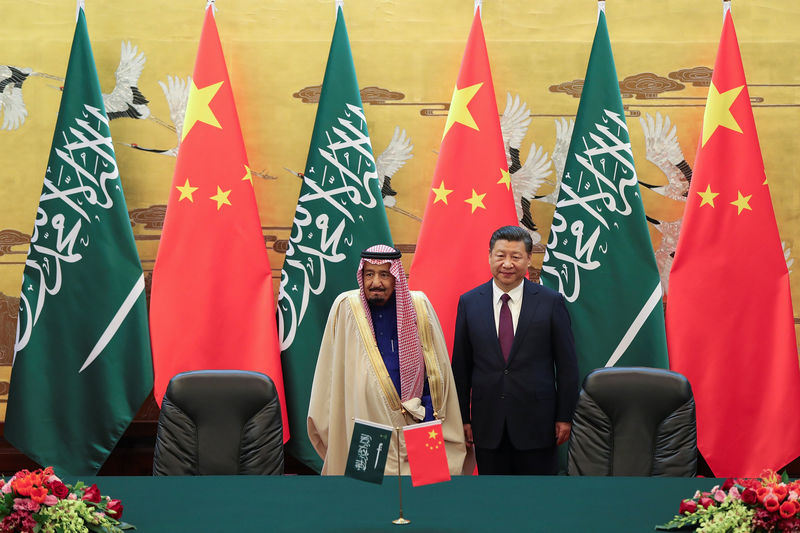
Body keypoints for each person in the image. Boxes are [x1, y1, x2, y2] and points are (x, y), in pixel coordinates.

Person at [308, 244, 469, 475]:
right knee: (370, 498)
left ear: (396, 278)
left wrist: (430, 414)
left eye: (384, 274)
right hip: (368, 426)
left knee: (428, 493)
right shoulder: (346, 308)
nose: (376, 282)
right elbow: (330, 375)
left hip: (422, 422)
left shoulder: (419, 306)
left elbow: (437, 369)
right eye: (369, 274)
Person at [452, 225, 579, 475]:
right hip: (487, 423)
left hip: (538, 424)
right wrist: (462, 419)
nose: (507, 264)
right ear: (490, 256)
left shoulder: (550, 302)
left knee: (538, 499)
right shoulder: (469, 302)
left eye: (516, 256)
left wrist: (565, 416)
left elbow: (567, 365)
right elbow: (461, 366)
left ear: (528, 259)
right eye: (501, 256)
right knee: (493, 500)